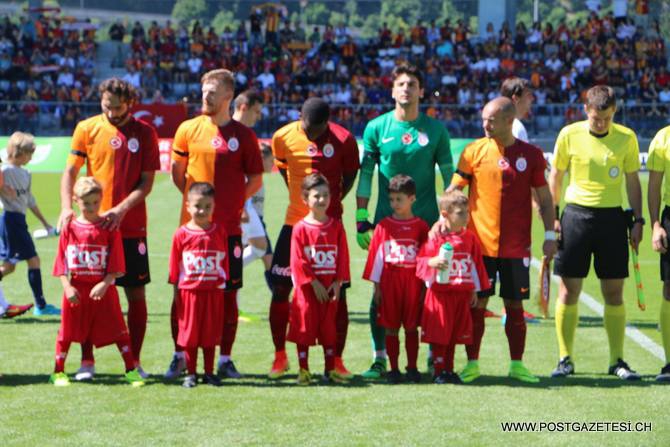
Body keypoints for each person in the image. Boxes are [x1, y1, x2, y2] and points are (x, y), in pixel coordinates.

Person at [58, 78, 160, 380]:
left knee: (136, 293)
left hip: (130, 226)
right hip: (93, 229)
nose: (112, 112)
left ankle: (136, 360)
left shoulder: (145, 133)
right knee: (88, 291)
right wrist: (66, 207)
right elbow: (71, 171)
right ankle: (86, 361)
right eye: (106, 106)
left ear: (130, 103)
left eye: (117, 107)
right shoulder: (86, 128)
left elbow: (146, 182)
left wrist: (121, 209)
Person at [449, 97, 556, 384]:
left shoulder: (531, 155)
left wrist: (549, 234)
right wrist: (447, 216)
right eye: (483, 119)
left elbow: (545, 200)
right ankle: (472, 363)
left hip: (516, 246)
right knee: (477, 304)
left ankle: (517, 364)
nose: (485, 125)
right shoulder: (473, 151)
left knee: (515, 306)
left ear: (510, 121)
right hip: (479, 246)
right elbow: (454, 189)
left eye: (491, 120)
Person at [356, 64, 453, 379]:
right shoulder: (376, 128)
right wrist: (361, 216)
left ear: (421, 91)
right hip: (386, 227)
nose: (406, 89)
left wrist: (448, 216)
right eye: (401, 83)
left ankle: (429, 355)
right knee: (381, 292)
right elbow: (367, 173)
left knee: (428, 294)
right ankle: (379, 357)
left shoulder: (436, 130)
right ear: (392, 90)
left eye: (412, 83)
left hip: (427, 227)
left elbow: (450, 178)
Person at [168, 69, 264, 380]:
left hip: (228, 233)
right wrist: (194, 207)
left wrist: (234, 205)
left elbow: (256, 178)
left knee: (228, 295)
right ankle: (179, 355)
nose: (205, 97)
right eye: (203, 91)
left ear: (228, 97)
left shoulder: (244, 136)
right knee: (182, 294)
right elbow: (177, 172)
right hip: (192, 233)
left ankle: (225, 358)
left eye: (212, 92)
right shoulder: (187, 129)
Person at [549, 85, 643, 380]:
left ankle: (617, 360)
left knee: (614, 292)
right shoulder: (569, 134)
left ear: (614, 111)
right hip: (576, 216)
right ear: (586, 110)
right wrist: (553, 217)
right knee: (569, 290)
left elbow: (632, 182)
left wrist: (638, 220)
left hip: (613, 220)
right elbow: (557, 176)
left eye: (607, 118)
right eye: (595, 118)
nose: (601, 123)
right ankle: (565, 358)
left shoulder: (626, 138)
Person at [268, 97, 359, 379]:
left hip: (330, 228)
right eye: (309, 129)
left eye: (319, 130)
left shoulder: (344, 139)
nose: (314, 135)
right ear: (299, 117)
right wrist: (305, 203)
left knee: (338, 293)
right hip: (293, 224)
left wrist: (329, 206)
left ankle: (338, 361)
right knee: (281, 289)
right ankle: (280, 356)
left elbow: (350, 174)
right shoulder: (282, 137)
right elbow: (283, 169)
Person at [50, 177, 144, 387]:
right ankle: (58, 371)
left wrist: (106, 282)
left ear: (101, 199)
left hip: (104, 288)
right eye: (86, 203)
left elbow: (117, 259)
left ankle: (130, 370)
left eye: (95, 202)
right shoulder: (69, 227)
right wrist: (67, 287)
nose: (91, 207)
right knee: (67, 331)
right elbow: (61, 260)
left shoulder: (109, 227)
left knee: (119, 330)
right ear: (75, 200)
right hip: (77, 289)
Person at [416, 190, 489, 384]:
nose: (466, 216)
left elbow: (474, 264)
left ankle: (449, 369)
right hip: (440, 295)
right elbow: (421, 261)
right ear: (445, 214)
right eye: (461, 213)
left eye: (467, 211)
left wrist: (474, 289)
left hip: (460, 295)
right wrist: (432, 262)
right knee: (440, 334)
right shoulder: (436, 238)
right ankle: (438, 369)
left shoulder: (470, 238)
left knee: (454, 334)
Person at [362, 174, 428, 384]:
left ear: (412, 199)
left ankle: (412, 367)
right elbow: (377, 258)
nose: (394, 204)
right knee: (390, 326)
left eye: (399, 199)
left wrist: (425, 287)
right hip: (390, 282)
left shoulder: (421, 227)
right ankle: (394, 368)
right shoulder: (383, 226)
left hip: (412, 282)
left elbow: (426, 258)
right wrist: (377, 288)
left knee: (411, 326)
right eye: (391, 199)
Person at [286, 173, 350, 385]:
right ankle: (304, 370)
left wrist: (338, 282)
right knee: (304, 329)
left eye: (325, 195)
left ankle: (329, 370)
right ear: (305, 200)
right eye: (316, 196)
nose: (321, 200)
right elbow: (298, 260)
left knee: (329, 330)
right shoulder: (300, 229)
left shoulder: (336, 226)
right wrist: (312, 283)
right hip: (308, 291)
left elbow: (342, 255)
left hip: (329, 289)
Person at [168, 182, 228, 388]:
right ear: (188, 206)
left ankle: (209, 372)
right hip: (189, 293)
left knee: (210, 334)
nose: (202, 211)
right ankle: (191, 373)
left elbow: (224, 261)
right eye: (197, 206)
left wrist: (222, 285)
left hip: (212, 292)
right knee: (190, 334)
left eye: (207, 206)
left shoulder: (219, 231)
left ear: (214, 206)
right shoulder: (181, 234)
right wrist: (177, 291)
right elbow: (174, 266)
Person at [0, 132, 60, 316]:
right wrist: (2, 187)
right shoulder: (5, 171)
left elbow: (30, 201)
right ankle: (41, 306)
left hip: (18, 221)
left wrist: (45, 223)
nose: (31, 158)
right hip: (10, 221)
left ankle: (41, 305)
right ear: (20, 152)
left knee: (10, 266)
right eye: (29, 154)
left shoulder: (26, 173)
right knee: (32, 261)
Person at [232, 90, 273, 289]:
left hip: (244, 202)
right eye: (256, 112)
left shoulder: (246, 135)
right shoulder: (227, 131)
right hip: (237, 204)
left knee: (250, 249)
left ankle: (233, 306)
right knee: (258, 248)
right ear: (243, 107)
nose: (258, 117)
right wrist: (240, 206)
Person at [647, 125, 670, 382]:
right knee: (669, 290)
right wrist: (655, 224)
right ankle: (669, 363)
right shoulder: (663, 137)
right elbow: (654, 186)